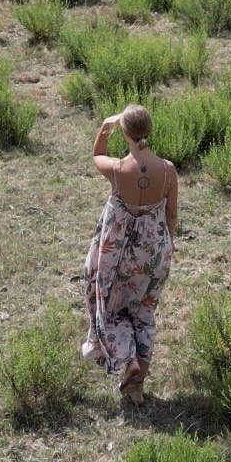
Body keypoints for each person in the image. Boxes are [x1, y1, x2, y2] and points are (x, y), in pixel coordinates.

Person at [82, 104, 177, 405]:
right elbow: (172, 215)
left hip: (118, 254)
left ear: (125, 132)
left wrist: (105, 127)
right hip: (154, 252)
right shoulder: (168, 170)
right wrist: (166, 246)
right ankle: (136, 386)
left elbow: (96, 155)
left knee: (109, 306)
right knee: (144, 312)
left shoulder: (118, 169)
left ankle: (127, 356)